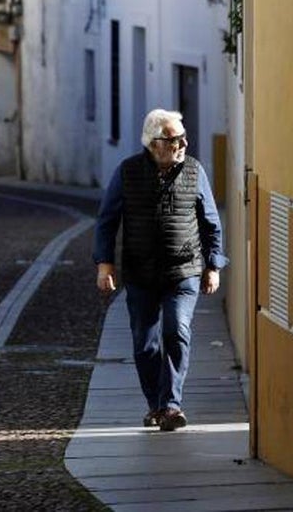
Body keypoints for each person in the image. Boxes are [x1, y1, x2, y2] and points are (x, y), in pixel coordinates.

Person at [92, 109, 228, 431]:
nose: (182, 144)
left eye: (183, 137)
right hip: (140, 275)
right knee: (145, 342)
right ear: (154, 144)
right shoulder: (127, 173)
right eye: (174, 139)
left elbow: (211, 223)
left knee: (176, 330)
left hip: (184, 272)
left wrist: (214, 265)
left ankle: (171, 405)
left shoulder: (195, 172)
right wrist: (105, 264)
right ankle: (155, 403)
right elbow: (107, 221)